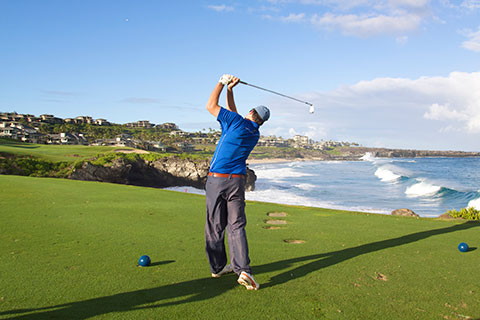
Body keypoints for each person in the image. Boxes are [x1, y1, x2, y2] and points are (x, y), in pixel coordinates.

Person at [204, 74, 270, 290]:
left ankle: (217, 267)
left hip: (217, 180)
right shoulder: (254, 132)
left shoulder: (235, 122)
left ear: (251, 113)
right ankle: (243, 270)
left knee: (215, 225)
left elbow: (210, 105)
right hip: (238, 182)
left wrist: (221, 83)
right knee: (237, 225)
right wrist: (231, 90)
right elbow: (233, 113)